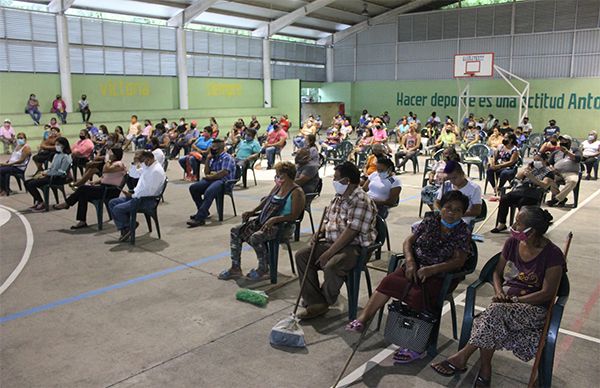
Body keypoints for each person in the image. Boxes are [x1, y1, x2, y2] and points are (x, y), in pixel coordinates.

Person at [431, 207, 565, 387]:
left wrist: (515, 301)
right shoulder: (511, 243)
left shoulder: (553, 254)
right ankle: (484, 370)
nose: (514, 225)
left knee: (491, 315)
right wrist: (499, 291)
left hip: (533, 310)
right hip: (504, 305)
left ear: (531, 231)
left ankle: (465, 358)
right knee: (494, 315)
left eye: (519, 223)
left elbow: (547, 293)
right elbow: (497, 272)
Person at [346, 191, 472, 362]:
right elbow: (408, 242)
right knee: (389, 281)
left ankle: (415, 345)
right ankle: (363, 318)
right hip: (415, 266)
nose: (451, 212)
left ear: (463, 213)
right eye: (448, 208)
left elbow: (459, 260)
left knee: (420, 295)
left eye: (457, 210)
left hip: (441, 274)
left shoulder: (462, 231)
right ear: (440, 207)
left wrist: (432, 270)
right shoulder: (429, 221)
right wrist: (411, 262)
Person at [294, 162, 377, 319]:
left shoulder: (360, 200)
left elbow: (351, 232)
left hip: (354, 248)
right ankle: (315, 301)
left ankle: (324, 301)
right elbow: (329, 220)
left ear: (347, 181)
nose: (334, 181)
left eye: (336, 178)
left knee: (332, 265)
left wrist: (329, 253)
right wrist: (319, 232)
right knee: (302, 256)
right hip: (332, 242)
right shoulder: (339, 197)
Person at [218, 162, 306, 281]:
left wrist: (275, 219)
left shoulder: (297, 192)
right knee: (236, 231)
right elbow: (266, 202)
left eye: (278, 175)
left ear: (285, 176)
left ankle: (264, 268)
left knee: (256, 237)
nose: (276, 177)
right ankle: (235, 268)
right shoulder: (278, 187)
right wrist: (252, 211)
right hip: (266, 221)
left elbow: (294, 216)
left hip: (283, 226)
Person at [54, 147, 126, 229]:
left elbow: (106, 170)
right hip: (104, 188)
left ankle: (67, 203)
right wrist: (95, 182)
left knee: (82, 189)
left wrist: (107, 161)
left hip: (109, 191)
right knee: (82, 194)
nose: (107, 154)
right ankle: (82, 221)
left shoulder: (119, 164)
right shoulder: (113, 163)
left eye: (110, 153)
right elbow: (107, 177)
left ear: (115, 155)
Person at [108, 150, 165, 242]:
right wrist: (134, 163)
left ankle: (129, 226)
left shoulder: (156, 171)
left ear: (149, 159)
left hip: (145, 201)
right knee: (112, 203)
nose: (142, 164)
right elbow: (133, 174)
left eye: (143, 161)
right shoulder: (149, 167)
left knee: (117, 209)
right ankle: (126, 227)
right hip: (138, 196)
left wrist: (133, 195)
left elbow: (150, 191)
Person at [491, 153, 554, 233]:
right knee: (504, 198)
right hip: (521, 190)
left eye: (538, 160)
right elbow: (517, 178)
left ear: (545, 161)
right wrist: (524, 170)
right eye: (534, 160)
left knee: (523, 202)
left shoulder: (549, 172)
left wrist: (532, 178)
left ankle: (519, 224)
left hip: (533, 193)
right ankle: (502, 223)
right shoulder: (531, 169)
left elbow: (545, 185)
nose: (535, 162)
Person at [187, 139, 237, 227]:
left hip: (224, 182)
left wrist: (211, 177)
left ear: (220, 148)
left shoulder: (227, 157)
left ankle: (200, 218)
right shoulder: (213, 158)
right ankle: (203, 212)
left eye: (213, 147)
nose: (211, 149)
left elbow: (224, 172)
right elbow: (207, 172)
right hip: (212, 180)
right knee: (194, 188)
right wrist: (208, 159)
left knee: (209, 192)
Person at [25, 137, 72, 211]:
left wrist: (47, 174)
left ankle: (41, 203)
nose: (56, 146)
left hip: (58, 178)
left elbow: (61, 171)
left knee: (31, 184)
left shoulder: (66, 157)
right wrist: (44, 172)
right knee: (27, 182)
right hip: (50, 175)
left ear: (64, 145)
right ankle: (39, 201)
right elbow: (52, 168)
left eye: (58, 144)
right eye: (56, 144)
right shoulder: (56, 155)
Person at [435, 161, 482, 226]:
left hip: (464, 218)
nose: (452, 181)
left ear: (462, 174)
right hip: (446, 216)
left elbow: (476, 211)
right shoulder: (446, 185)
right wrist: (442, 212)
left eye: (454, 177)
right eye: (450, 178)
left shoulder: (474, 188)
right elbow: (437, 202)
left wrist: (455, 214)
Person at [546, 135, 582, 207]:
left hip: (571, 172)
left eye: (564, 140)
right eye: (561, 140)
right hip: (557, 173)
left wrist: (567, 152)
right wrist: (552, 168)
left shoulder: (576, 150)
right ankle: (562, 199)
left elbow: (578, 159)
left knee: (573, 181)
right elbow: (549, 163)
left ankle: (556, 199)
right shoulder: (556, 152)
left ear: (569, 142)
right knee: (548, 179)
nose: (562, 142)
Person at [487, 133, 520, 199]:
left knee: (504, 173)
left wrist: (500, 166)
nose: (504, 139)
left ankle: (500, 188)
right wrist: (492, 163)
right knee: (489, 171)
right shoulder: (500, 147)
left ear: (511, 140)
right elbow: (495, 156)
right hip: (499, 166)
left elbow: (511, 162)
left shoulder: (515, 150)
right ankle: (495, 188)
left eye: (505, 138)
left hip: (510, 167)